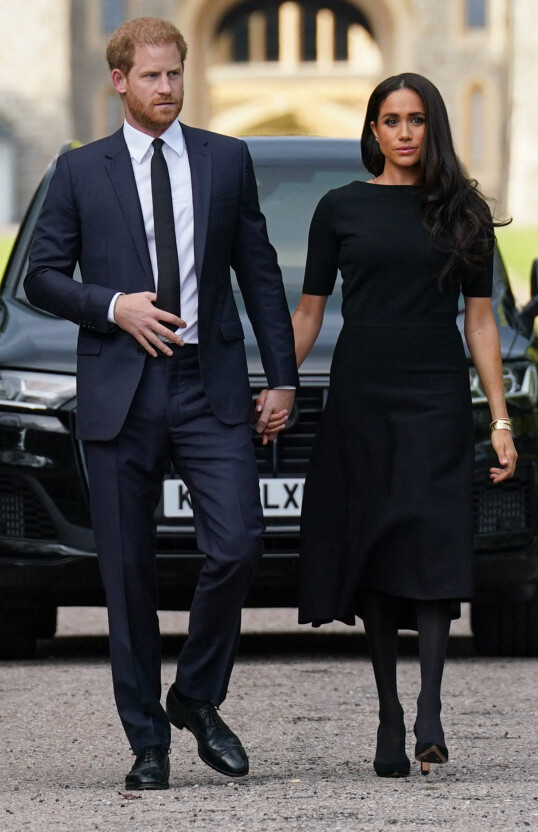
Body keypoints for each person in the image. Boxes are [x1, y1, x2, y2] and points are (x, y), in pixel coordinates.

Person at [24, 17, 297, 790]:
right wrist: (115, 306)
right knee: (128, 578)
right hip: (120, 389)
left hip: (208, 386)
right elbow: (43, 276)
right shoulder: (82, 171)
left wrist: (279, 375)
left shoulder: (226, 159)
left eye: (175, 74)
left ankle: (195, 697)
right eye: (151, 76)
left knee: (240, 542)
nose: (168, 88)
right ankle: (148, 743)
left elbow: (260, 271)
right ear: (120, 81)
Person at [288, 73, 517, 778]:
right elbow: (309, 312)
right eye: (391, 120)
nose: (405, 132)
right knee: (379, 549)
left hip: (435, 396)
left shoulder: (463, 212)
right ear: (373, 130)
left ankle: (430, 708)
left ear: (433, 127)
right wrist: (275, 384)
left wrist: (500, 419)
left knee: (433, 539)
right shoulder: (339, 209)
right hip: (363, 395)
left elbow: (480, 322)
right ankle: (389, 710)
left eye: (417, 119)